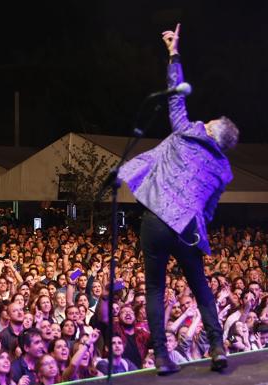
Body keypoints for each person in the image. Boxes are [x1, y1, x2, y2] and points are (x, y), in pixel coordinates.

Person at [118, 23, 237, 374]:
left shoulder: (186, 132)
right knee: (200, 285)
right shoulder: (223, 170)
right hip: (187, 226)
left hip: (156, 220)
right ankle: (217, 346)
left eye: (210, 120)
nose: (205, 120)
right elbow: (210, 210)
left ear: (212, 130)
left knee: (155, 287)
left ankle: (162, 358)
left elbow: (175, 95)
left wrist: (173, 53)